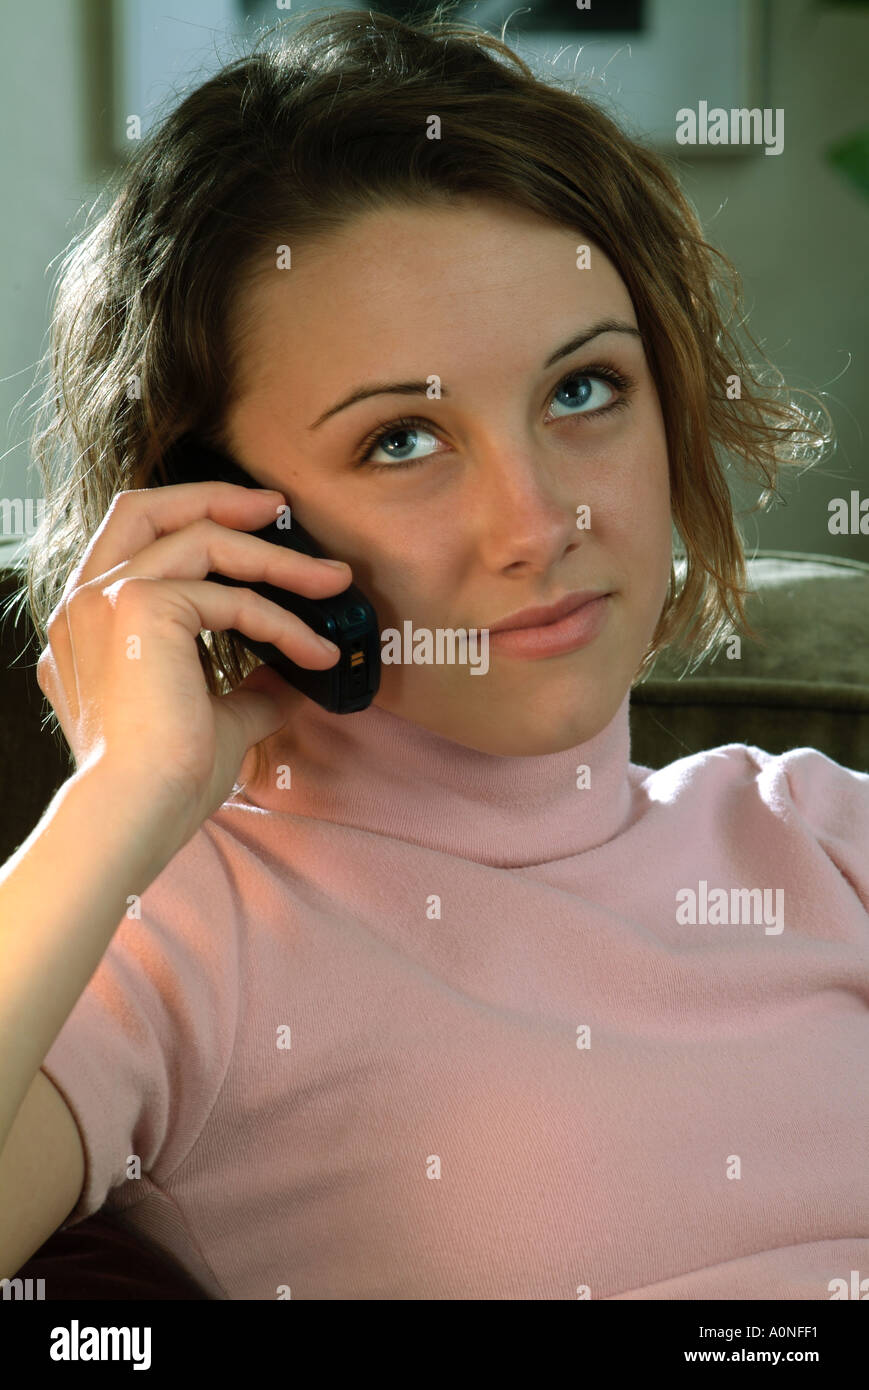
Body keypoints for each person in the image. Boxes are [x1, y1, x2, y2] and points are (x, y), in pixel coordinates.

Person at [1, 7, 867, 1301]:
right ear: (224, 514)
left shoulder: (818, 831)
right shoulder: (170, 940)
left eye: (582, 390)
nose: (537, 524)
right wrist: (125, 790)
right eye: (400, 439)